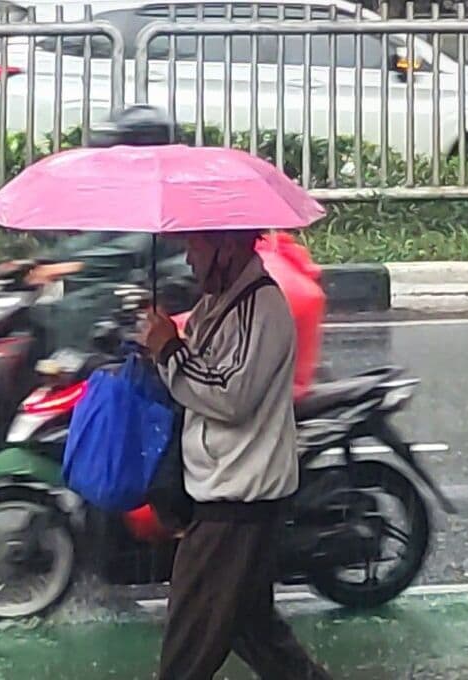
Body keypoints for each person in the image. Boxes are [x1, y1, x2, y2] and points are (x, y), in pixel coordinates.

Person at [138, 230, 333, 680]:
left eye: (196, 248)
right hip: (222, 488)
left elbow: (229, 397)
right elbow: (201, 375)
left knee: (186, 652)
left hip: (236, 500)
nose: (188, 260)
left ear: (226, 246)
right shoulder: (218, 304)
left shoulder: (259, 307)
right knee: (256, 633)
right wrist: (161, 351)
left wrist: (169, 349)